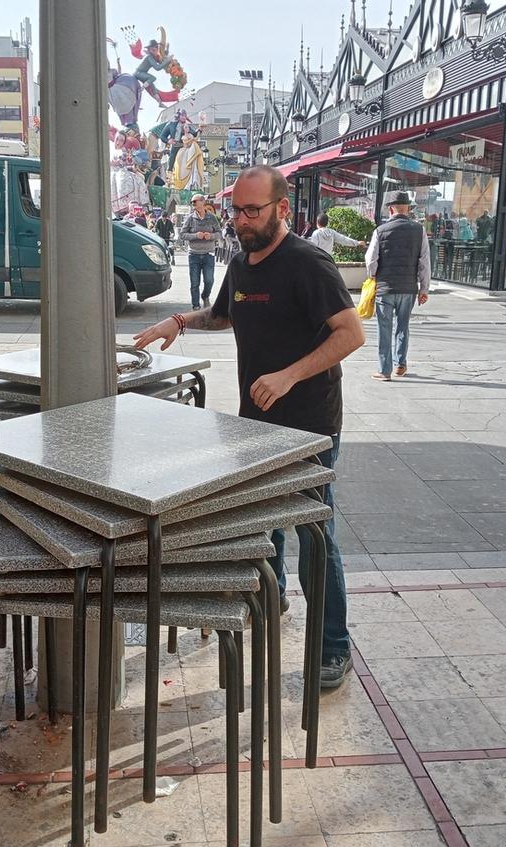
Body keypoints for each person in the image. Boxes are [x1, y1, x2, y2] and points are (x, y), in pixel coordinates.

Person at [133, 165, 365, 688]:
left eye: (251, 211)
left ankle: (333, 646)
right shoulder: (240, 263)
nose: (240, 220)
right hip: (256, 420)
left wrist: (289, 375)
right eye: (235, 211)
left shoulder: (308, 263)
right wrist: (179, 321)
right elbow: (224, 314)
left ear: (282, 209)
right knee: (262, 518)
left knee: (315, 536)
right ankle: (271, 593)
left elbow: (350, 334)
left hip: (309, 425)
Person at [364, 190, 430, 381]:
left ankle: (384, 370)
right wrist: (424, 289)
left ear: (391, 209)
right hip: (408, 288)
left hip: (385, 288)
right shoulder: (419, 230)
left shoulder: (380, 231)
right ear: (408, 209)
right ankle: (400, 365)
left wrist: (373, 276)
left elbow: (371, 260)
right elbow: (425, 262)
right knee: (403, 326)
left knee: (384, 329)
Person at [182, 192, 221, 309]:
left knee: (209, 280)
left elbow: (219, 233)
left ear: (203, 202)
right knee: (194, 283)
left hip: (209, 254)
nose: (193, 203)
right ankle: (196, 306)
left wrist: (211, 236)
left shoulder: (212, 218)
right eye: (192, 202)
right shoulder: (190, 218)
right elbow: (182, 234)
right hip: (194, 255)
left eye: (195, 201)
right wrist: (195, 235)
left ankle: (205, 296)